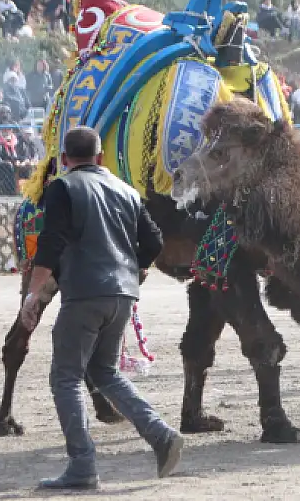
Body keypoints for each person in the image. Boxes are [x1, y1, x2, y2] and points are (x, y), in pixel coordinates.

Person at [20, 127, 182, 490]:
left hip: (83, 295)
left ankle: (82, 465)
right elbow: (154, 240)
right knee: (105, 372)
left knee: (66, 377)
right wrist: (132, 266)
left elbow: (51, 241)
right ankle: (160, 435)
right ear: (100, 158)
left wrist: (33, 295)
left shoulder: (63, 187)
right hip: (123, 295)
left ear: (64, 160)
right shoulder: (126, 191)